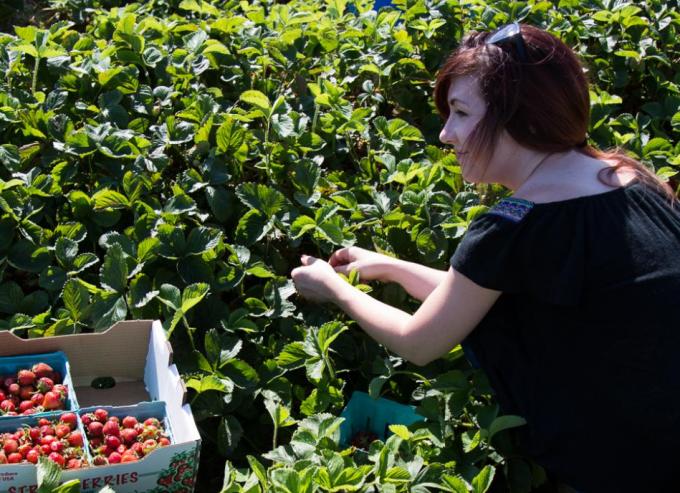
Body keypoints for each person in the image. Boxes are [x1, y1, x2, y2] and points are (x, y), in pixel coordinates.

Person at [290, 22, 680, 492]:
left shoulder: (515, 223)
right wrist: (387, 267)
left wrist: (333, 290)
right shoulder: (627, 178)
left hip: (624, 468)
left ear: (518, 115)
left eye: (459, 112)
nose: (445, 134)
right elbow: (475, 295)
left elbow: (420, 341)